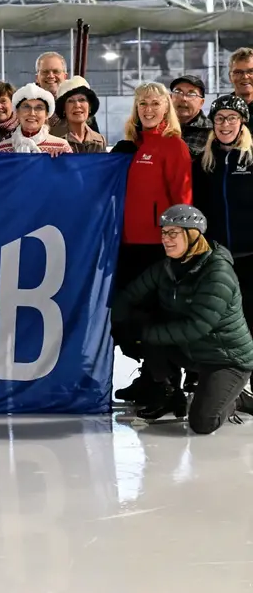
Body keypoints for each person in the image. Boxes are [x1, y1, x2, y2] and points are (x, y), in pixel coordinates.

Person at [112, 205, 253, 432]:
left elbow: (196, 327)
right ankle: (169, 392)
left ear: (193, 235)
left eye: (173, 233)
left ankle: (235, 399)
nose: (166, 239)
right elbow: (130, 295)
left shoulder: (217, 273)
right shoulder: (167, 267)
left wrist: (141, 334)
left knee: (203, 423)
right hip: (192, 351)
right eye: (164, 233)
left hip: (225, 359)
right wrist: (113, 324)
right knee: (142, 321)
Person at [112, 82, 193, 403]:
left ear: (166, 109)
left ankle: (167, 384)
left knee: (158, 316)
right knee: (136, 316)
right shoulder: (136, 145)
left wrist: (178, 245)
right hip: (130, 245)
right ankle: (150, 376)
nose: (148, 109)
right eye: (143, 103)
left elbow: (182, 199)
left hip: (158, 247)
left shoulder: (173, 146)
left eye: (155, 104)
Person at [193, 95, 253, 329]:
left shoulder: (250, 159)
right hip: (216, 258)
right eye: (219, 118)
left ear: (242, 123)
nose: (225, 124)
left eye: (232, 118)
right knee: (222, 322)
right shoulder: (204, 163)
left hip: (250, 256)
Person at [0, 84, 73, 156]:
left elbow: (74, 170)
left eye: (39, 108)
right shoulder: (2, 149)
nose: (32, 113)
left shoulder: (61, 147)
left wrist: (63, 161)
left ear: (46, 114)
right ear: (17, 113)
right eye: (26, 107)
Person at [50, 77, 106, 153]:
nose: (77, 105)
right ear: (63, 109)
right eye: (70, 101)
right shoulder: (51, 138)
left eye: (82, 100)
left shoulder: (100, 140)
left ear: (89, 107)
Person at [170, 74, 211, 159]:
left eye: (191, 94)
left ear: (201, 103)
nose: (184, 98)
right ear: (170, 98)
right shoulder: (158, 127)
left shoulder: (211, 132)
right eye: (178, 92)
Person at [228, 47, 253, 124]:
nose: (245, 76)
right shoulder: (219, 108)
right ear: (230, 77)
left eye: (251, 71)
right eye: (238, 72)